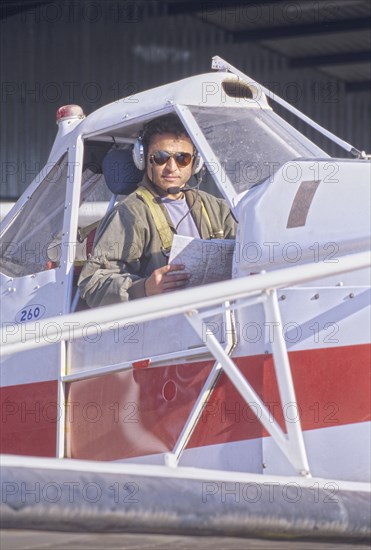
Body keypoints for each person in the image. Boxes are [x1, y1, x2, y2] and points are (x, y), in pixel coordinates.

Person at [78, 114, 237, 307]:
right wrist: (144, 288)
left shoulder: (217, 209)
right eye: (161, 158)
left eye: (182, 158)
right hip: (164, 328)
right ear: (143, 159)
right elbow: (93, 283)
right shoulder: (130, 214)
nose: (171, 168)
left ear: (195, 163)